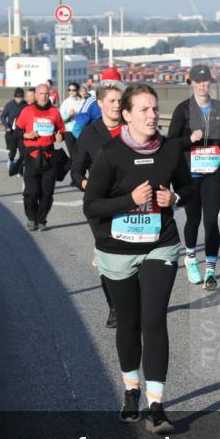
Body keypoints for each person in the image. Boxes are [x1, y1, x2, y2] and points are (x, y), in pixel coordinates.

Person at [83, 82, 193, 434]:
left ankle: (156, 406)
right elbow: (92, 205)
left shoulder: (171, 150)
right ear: (126, 114)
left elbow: (190, 189)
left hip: (160, 244)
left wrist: (173, 199)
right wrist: (129, 200)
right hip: (116, 249)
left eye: (155, 108)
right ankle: (132, 392)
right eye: (143, 109)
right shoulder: (111, 154)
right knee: (128, 323)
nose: (152, 114)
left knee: (153, 319)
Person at [167, 64, 220, 290]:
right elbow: (171, 143)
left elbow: (217, 133)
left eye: (206, 81)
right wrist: (190, 139)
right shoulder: (182, 109)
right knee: (194, 219)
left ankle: (211, 271)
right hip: (191, 174)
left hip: (215, 171)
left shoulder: (219, 107)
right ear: (191, 83)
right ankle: (191, 257)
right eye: (198, 81)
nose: (203, 85)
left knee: (211, 221)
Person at [72, 78, 127, 328]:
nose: (117, 105)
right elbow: (76, 172)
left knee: (131, 254)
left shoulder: (133, 127)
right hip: (100, 205)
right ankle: (116, 306)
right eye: (112, 101)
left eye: (120, 101)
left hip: (131, 202)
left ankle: (133, 301)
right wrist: (87, 186)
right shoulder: (90, 133)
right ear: (101, 104)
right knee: (109, 257)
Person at [14, 83, 66, 230]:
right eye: (41, 94)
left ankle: (42, 220)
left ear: (49, 95)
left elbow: (62, 131)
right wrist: (27, 134)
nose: (43, 96)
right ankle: (31, 218)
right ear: (36, 96)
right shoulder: (27, 111)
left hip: (49, 156)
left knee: (47, 193)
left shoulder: (54, 112)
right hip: (32, 156)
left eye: (46, 94)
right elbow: (16, 132)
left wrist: (60, 137)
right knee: (31, 192)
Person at [72, 67, 122, 134]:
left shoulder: (126, 101)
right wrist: (89, 143)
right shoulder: (92, 102)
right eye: (109, 86)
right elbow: (77, 129)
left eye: (116, 87)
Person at [0, 87, 28, 173]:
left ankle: (20, 170)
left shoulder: (26, 105)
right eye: (17, 98)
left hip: (21, 132)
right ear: (14, 97)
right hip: (11, 131)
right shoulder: (9, 105)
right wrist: (7, 126)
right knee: (13, 151)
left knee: (22, 152)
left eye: (21, 98)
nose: (19, 100)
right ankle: (11, 160)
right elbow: (2, 116)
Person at [60, 81, 85, 156]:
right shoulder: (66, 102)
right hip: (69, 131)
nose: (71, 92)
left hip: (80, 131)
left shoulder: (83, 102)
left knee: (81, 154)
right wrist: (68, 115)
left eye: (73, 90)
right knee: (72, 154)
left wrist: (78, 116)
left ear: (77, 91)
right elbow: (60, 119)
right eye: (69, 90)